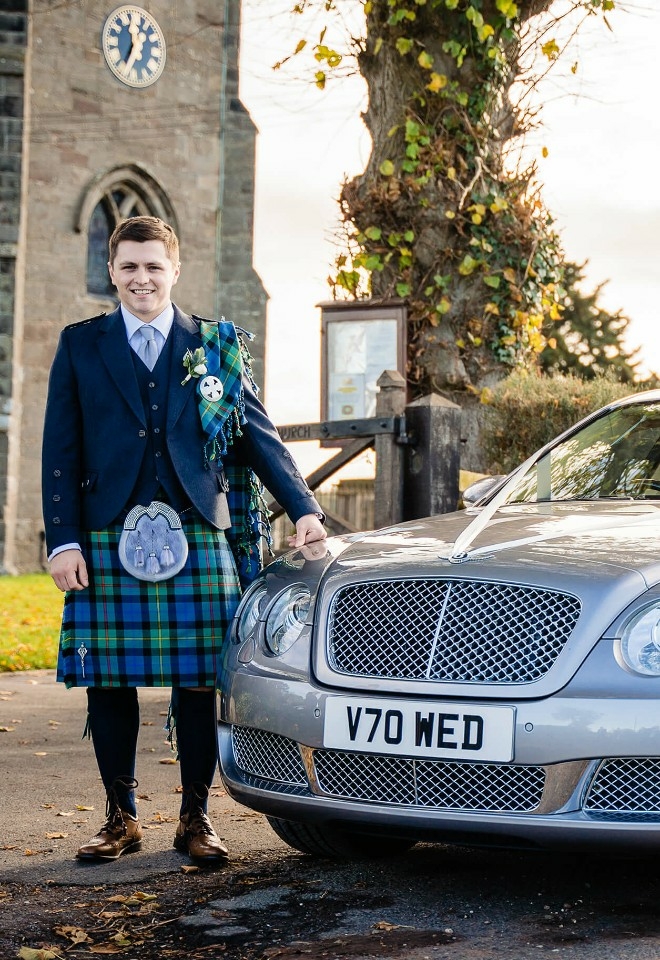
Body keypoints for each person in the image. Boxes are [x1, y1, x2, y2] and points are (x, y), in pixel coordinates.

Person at [41, 216, 326, 864]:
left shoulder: (214, 345)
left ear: (174, 270)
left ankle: (195, 819)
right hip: (106, 530)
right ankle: (120, 818)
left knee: (199, 681)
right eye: (129, 266)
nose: (141, 278)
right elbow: (60, 450)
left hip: (196, 527)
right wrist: (63, 541)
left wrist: (303, 509)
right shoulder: (81, 345)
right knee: (108, 681)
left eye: (153, 266)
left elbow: (257, 434)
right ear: (112, 271)